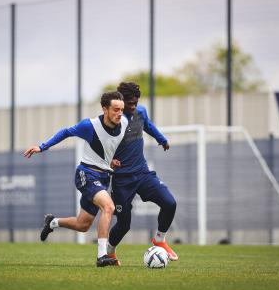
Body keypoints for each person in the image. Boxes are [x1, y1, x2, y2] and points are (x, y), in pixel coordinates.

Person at [23, 91, 128, 267]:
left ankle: (53, 222)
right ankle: (102, 256)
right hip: (86, 174)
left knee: (83, 224)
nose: (120, 113)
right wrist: (42, 147)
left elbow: (107, 147)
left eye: (122, 110)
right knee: (108, 207)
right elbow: (66, 132)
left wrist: (111, 161)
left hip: (104, 177)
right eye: (116, 109)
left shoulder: (124, 123)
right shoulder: (89, 126)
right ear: (105, 109)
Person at [107, 82, 178, 264]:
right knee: (124, 225)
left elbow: (148, 125)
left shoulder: (140, 112)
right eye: (129, 103)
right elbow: (98, 146)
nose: (133, 106)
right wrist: (109, 161)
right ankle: (109, 252)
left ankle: (160, 240)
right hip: (122, 180)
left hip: (142, 173)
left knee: (169, 203)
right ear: (121, 101)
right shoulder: (111, 121)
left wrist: (162, 139)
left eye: (135, 102)